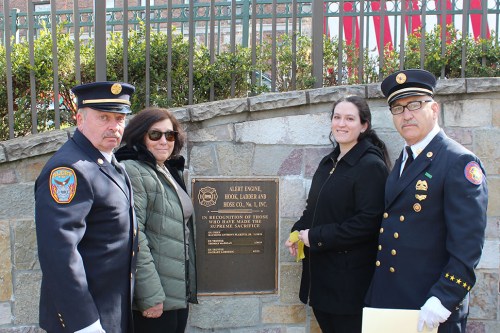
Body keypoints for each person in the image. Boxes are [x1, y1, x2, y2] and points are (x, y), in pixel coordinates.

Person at [365, 69, 488, 332]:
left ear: (434, 109)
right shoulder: (405, 159)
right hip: (392, 302)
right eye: (397, 108)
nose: (406, 114)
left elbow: (468, 245)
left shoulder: (458, 161)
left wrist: (444, 297)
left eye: (415, 105)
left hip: (430, 307)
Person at [34, 82, 138, 333]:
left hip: (110, 311)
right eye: (104, 117)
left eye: (119, 117)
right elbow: (59, 254)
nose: (114, 126)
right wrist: (85, 324)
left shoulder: (110, 163)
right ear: (80, 119)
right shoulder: (70, 170)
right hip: (85, 320)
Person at [285, 95, 390, 333]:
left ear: (364, 125)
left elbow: (368, 223)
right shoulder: (328, 162)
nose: (341, 124)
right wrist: (297, 232)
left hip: (348, 288)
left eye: (350, 118)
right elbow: (313, 209)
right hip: (321, 282)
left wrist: (316, 236)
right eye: (337, 117)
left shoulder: (371, 166)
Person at [115, 107, 198, 333]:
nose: (164, 141)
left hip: (174, 293)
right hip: (155, 297)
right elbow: (134, 235)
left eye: (170, 135)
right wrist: (150, 295)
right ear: (140, 136)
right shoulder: (134, 170)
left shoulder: (165, 170)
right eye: (155, 134)